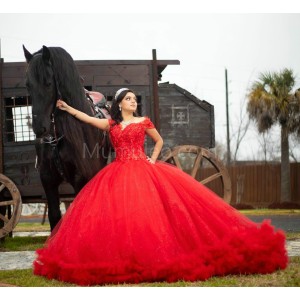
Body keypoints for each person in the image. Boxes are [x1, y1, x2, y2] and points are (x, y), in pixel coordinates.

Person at [33, 88, 288, 286]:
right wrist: (67, 107)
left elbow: (159, 141)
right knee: (123, 217)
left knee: (153, 213)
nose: (134, 102)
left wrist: (152, 160)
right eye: (129, 99)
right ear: (120, 104)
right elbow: (88, 119)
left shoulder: (144, 121)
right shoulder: (111, 125)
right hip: (119, 172)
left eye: (135, 99)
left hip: (144, 170)